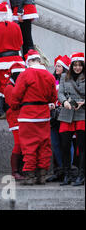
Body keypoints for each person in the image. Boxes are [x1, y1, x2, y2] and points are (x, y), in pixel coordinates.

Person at [10, 49, 58, 185]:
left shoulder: (25, 74)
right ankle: (42, 175)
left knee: (29, 145)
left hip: (28, 114)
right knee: (44, 145)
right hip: (43, 114)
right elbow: (53, 97)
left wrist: (15, 107)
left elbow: (16, 95)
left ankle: (30, 176)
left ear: (29, 61)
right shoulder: (49, 76)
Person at [57, 52, 85, 186]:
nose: (77, 67)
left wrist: (83, 102)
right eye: (75, 65)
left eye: (80, 65)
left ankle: (81, 174)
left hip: (82, 113)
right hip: (66, 113)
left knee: (82, 146)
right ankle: (67, 174)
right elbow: (60, 93)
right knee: (65, 145)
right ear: (72, 65)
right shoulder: (64, 77)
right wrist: (64, 102)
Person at [46, 54, 71, 182]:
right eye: (56, 65)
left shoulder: (68, 81)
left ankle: (69, 170)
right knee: (55, 144)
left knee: (66, 144)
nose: (56, 68)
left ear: (65, 68)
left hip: (65, 115)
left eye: (59, 66)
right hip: (53, 117)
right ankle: (60, 169)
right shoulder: (52, 79)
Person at [4, 62, 27, 180]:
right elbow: (13, 104)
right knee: (18, 144)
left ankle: (21, 169)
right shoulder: (9, 87)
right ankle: (15, 171)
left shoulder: (17, 86)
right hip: (14, 118)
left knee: (23, 144)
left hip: (21, 117)